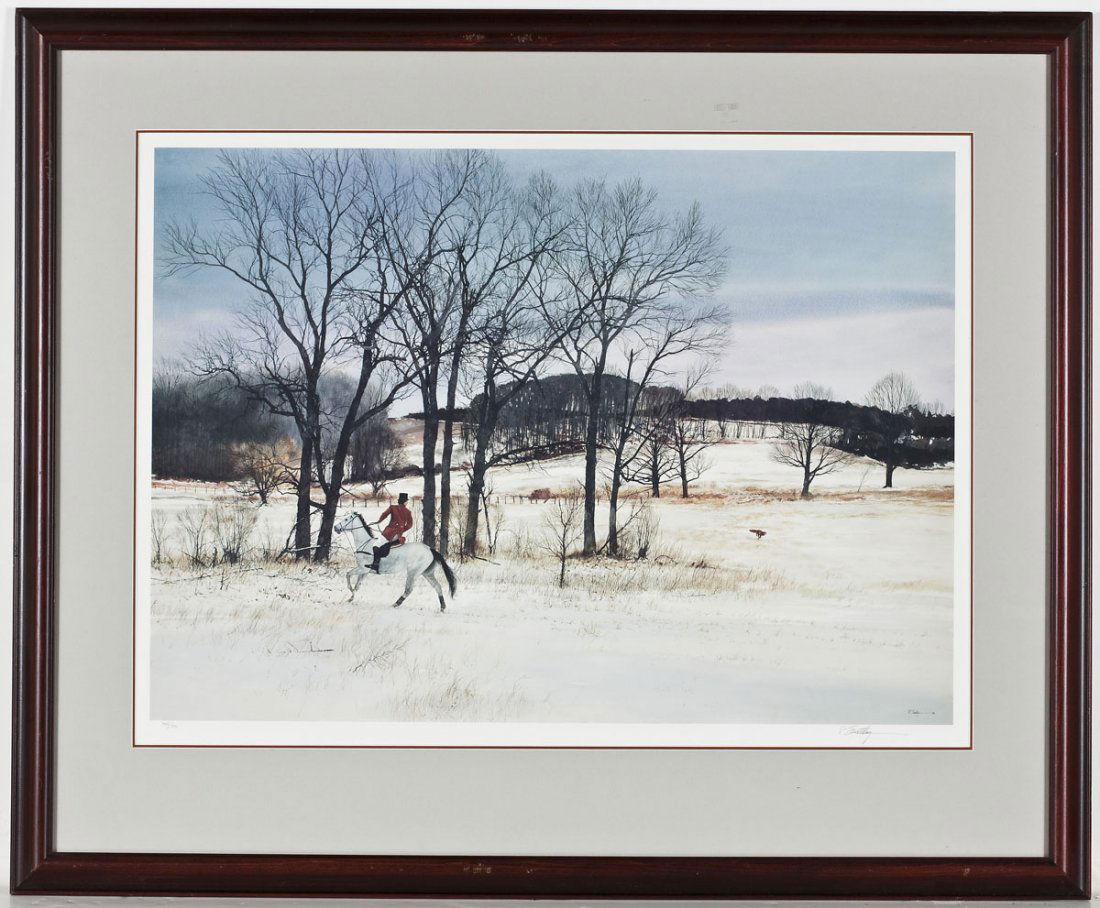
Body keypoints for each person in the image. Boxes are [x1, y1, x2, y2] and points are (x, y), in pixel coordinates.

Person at [369, 492, 414, 573]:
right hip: (398, 535)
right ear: (405, 502)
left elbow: (384, 515)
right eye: (407, 501)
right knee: (387, 545)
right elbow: (410, 525)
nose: (407, 503)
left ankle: (375, 565)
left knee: (376, 545)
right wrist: (402, 529)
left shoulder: (392, 507)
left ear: (399, 501)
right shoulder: (408, 512)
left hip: (388, 533)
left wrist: (378, 521)